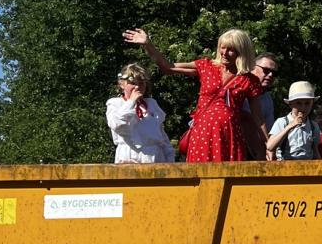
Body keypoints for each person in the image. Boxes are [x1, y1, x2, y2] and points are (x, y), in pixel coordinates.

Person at [123, 26, 260, 163]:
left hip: (229, 136)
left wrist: (266, 145)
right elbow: (168, 67)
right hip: (202, 134)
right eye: (222, 47)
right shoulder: (207, 66)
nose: (224, 52)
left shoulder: (249, 80)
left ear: (241, 52)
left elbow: (258, 118)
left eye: (230, 50)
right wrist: (148, 45)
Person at [105, 64, 176, 164]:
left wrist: (170, 158)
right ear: (122, 84)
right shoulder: (115, 103)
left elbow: (161, 135)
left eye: (141, 83)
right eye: (133, 83)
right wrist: (131, 102)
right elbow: (117, 125)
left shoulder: (151, 104)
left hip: (154, 157)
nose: (137, 87)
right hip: (129, 156)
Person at [266, 81, 322, 160]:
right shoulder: (282, 122)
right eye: (298, 103)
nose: (303, 107)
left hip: (307, 168)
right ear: (290, 104)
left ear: (312, 103)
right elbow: (270, 146)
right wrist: (290, 126)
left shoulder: (313, 126)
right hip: (285, 167)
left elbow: (315, 151)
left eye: (307, 103)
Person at [241, 53, 279, 160]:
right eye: (266, 70)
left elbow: (269, 130)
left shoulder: (267, 99)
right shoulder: (239, 90)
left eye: (274, 73)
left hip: (256, 153)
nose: (270, 75)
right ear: (252, 68)